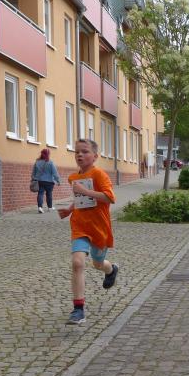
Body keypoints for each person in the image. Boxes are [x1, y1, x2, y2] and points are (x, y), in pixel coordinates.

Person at [57, 139, 118, 325]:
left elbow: (110, 198)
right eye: (77, 152)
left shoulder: (99, 174)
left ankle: (111, 269)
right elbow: (80, 199)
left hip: (99, 228)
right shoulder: (74, 177)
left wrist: (85, 190)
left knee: (98, 263)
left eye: (84, 151)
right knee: (77, 263)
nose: (79, 155)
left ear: (95, 156)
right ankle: (78, 310)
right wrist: (69, 209)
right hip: (80, 226)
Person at [31, 148, 61, 213]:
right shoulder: (50, 162)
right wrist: (58, 180)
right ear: (48, 154)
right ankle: (50, 207)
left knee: (40, 193)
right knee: (49, 194)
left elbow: (33, 172)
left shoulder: (37, 162)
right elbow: (55, 173)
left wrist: (33, 179)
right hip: (49, 182)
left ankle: (40, 207)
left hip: (40, 181)